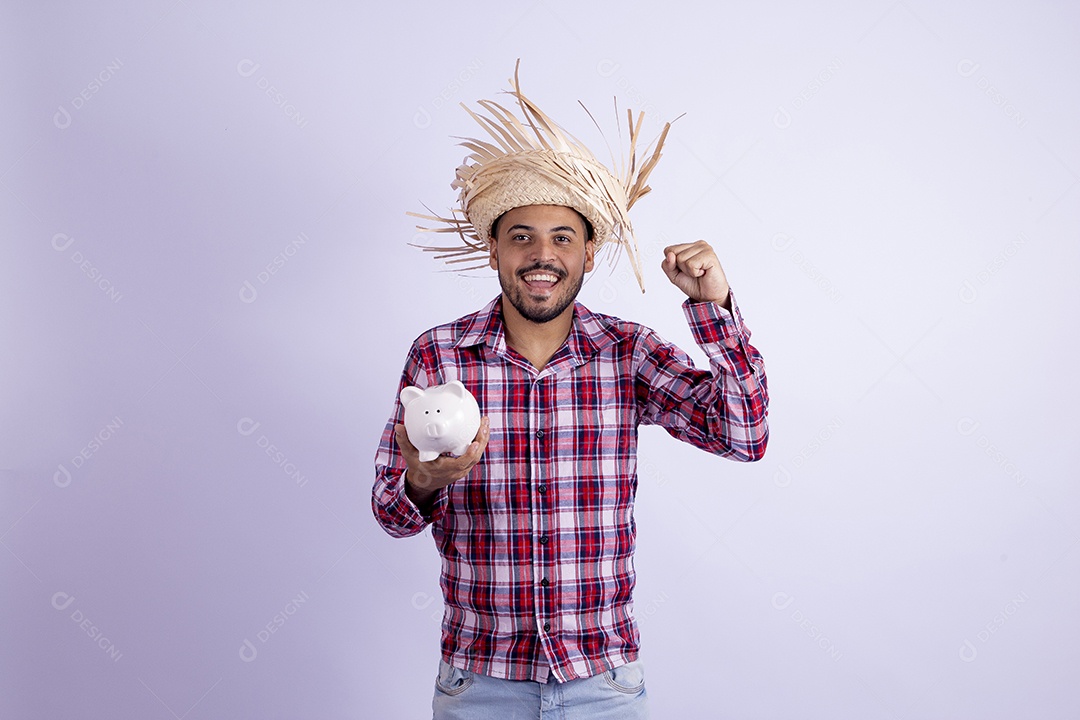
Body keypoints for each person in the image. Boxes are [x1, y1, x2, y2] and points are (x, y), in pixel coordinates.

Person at [373, 65, 769, 720]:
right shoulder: (438, 355)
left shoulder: (627, 353)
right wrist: (420, 479)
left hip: (601, 684)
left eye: (562, 237)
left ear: (588, 252)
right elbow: (391, 514)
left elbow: (744, 436)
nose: (541, 255)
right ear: (494, 250)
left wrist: (714, 310)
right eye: (521, 236)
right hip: (481, 681)